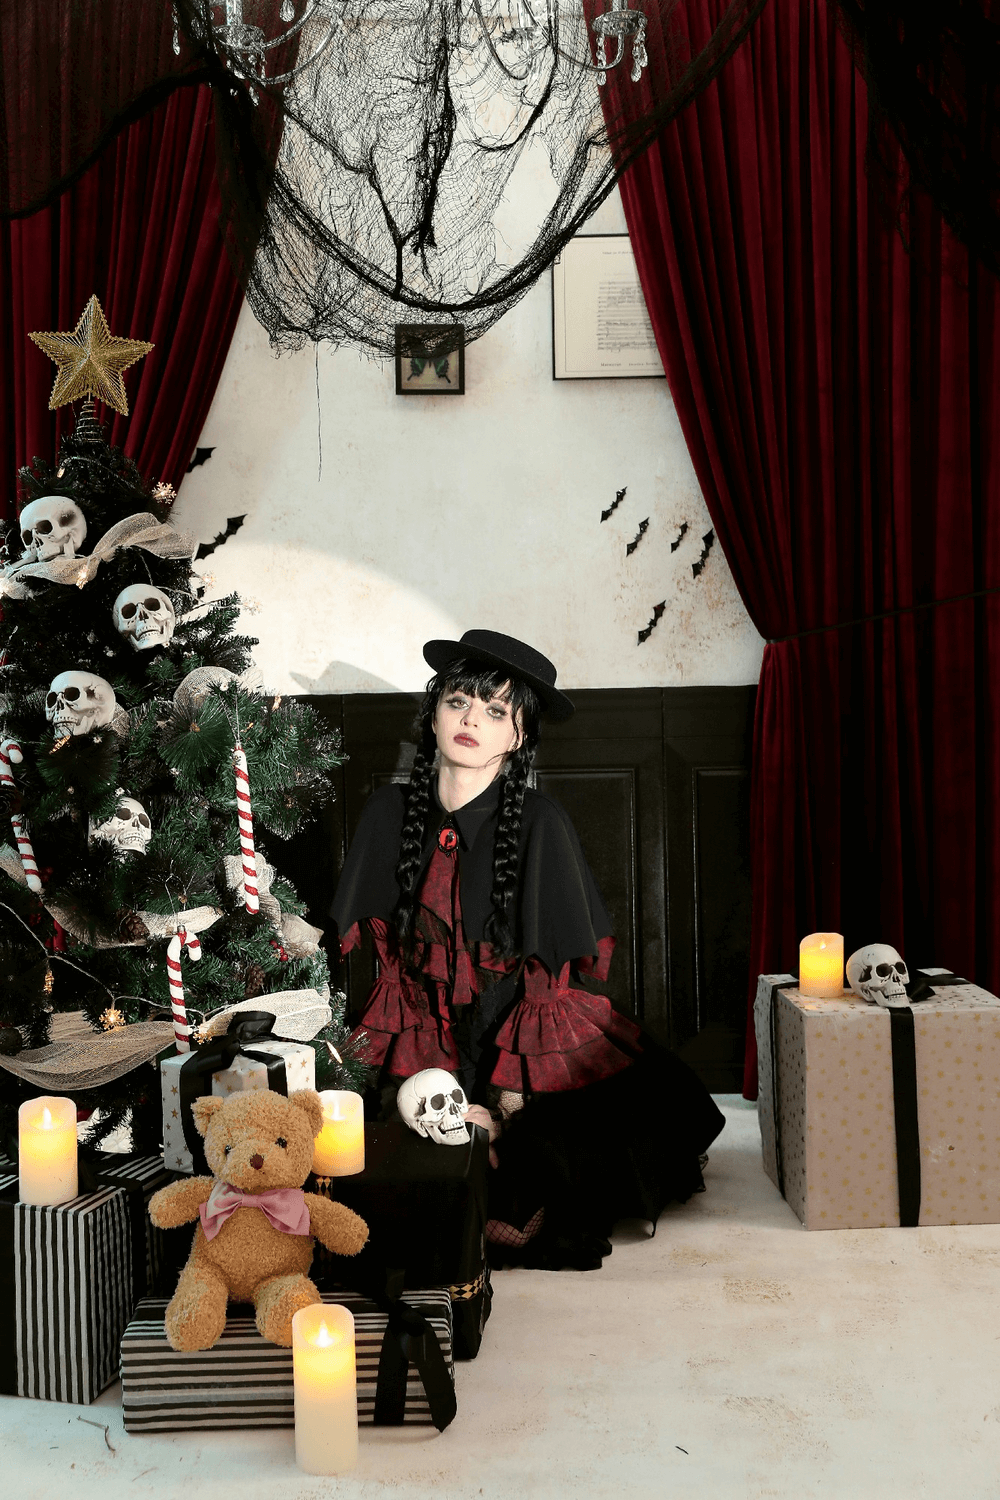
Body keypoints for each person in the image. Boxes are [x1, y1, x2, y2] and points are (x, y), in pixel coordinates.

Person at [330, 630, 724, 1270]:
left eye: (494, 712)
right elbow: (379, 956)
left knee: (540, 1173)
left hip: (508, 1034)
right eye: (458, 702)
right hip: (419, 1032)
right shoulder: (386, 810)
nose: (470, 720)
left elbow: (546, 982)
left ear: (517, 736)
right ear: (433, 714)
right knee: (362, 1166)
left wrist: (505, 1106)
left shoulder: (541, 821)